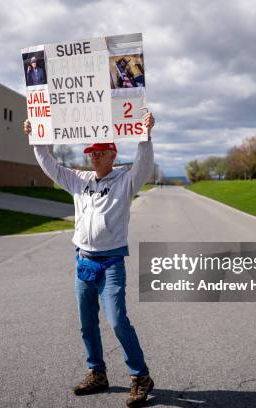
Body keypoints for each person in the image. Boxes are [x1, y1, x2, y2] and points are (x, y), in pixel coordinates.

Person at [23, 113, 156, 408]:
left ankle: (141, 376)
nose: (94, 157)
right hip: (83, 261)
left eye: (99, 152)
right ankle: (97, 373)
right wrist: (37, 140)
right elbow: (50, 166)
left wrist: (145, 136)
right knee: (86, 324)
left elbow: (144, 165)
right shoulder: (79, 180)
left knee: (117, 320)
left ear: (112, 153)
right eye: (91, 153)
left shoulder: (126, 180)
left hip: (111, 263)